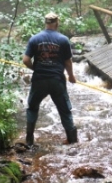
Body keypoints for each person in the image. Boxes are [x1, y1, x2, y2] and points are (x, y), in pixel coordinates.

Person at [23, 12, 77, 147]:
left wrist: (35, 68)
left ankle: (29, 140)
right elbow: (68, 62)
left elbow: (25, 60)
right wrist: (71, 76)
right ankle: (72, 141)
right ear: (57, 23)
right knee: (64, 110)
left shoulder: (34, 39)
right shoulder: (63, 39)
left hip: (39, 80)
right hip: (57, 80)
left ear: (45, 23)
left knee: (32, 108)